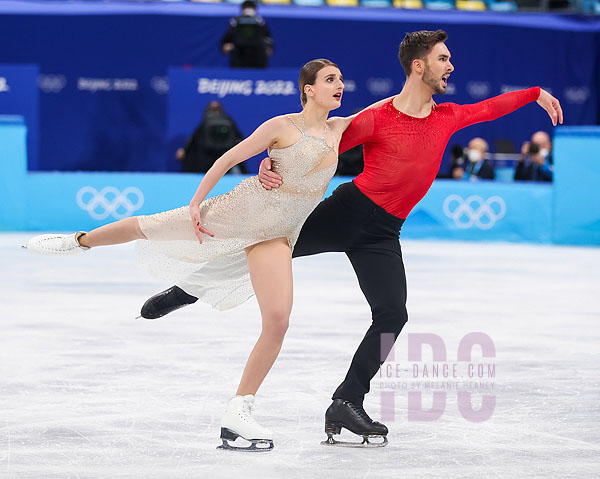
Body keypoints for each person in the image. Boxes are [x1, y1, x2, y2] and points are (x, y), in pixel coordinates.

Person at [141, 30, 563, 448]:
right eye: (442, 59)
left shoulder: (448, 117)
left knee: (393, 315)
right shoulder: (377, 119)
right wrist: (270, 162)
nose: (450, 66)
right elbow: (313, 140)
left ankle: (346, 401)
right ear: (419, 66)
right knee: (270, 249)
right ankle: (186, 290)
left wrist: (535, 93)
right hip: (345, 212)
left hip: (382, 234)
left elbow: (490, 108)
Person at [25, 59, 390, 452]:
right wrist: (197, 205)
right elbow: (227, 159)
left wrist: (420, 84)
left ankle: (238, 412)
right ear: (308, 89)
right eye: (330, 80)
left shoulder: (339, 129)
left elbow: (388, 107)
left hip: (277, 234)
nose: (339, 85)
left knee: (278, 320)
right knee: (146, 226)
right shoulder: (282, 126)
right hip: (238, 212)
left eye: (340, 79)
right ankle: (79, 241)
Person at [176, 101, 247, 174]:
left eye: (216, 109)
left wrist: (185, 150)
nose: (215, 113)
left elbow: (193, 139)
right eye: (212, 109)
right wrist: (185, 150)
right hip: (217, 159)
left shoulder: (226, 122)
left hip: (215, 159)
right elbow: (194, 139)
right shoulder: (226, 121)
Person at [221, 0, 273, 69]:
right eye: (246, 8)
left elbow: (267, 37)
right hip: (239, 54)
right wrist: (225, 45)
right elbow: (228, 36)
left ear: (255, 9)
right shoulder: (236, 21)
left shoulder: (260, 21)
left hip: (257, 54)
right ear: (242, 9)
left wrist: (269, 47)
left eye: (251, 8)